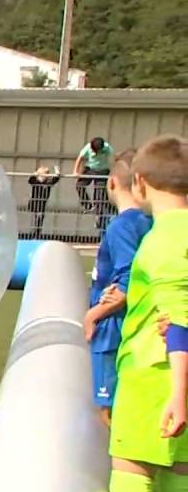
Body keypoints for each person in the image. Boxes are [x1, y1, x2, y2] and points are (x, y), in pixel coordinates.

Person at [103, 135, 188, 492]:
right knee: (178, 484)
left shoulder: (163, 240)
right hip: (165, 376)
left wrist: (178, 393)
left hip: (154, 378)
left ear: (141, 183)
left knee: (130, 485)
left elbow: (180, 319)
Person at [84, 150, 153, 427]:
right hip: (134, 326)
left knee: (109, 410)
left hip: (112, 329)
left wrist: (94, 315)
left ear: (112, 182)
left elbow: (127, 279)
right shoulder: (149, 222)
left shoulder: (122, 227)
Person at [74, 137, 114, 227]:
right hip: (90, 169)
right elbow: (80, 158)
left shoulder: (107, 148)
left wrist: (114, 171)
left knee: (100, 194)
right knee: (79, 186)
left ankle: (99, 216)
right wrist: (75, 171)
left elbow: (113, 158)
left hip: (103, 170)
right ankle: (88, 205)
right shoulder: (88, 147)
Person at [27, 165, 61, 238]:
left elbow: (55, 179)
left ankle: (37, 234)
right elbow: (30, 180)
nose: (44, 177)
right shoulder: (35, 181)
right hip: (34, 202)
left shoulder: (47, 183)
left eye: (46, 175)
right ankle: (34, 233)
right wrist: (35, 174)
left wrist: (57, 172)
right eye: (42, 176)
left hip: (42, 203)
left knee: (40, 218)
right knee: (36, 217)